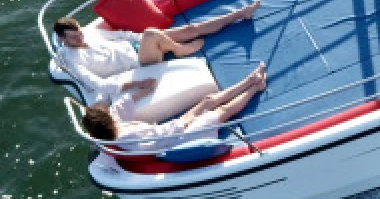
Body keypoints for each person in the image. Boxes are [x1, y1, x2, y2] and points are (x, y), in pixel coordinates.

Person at [53, 0, 260, 99]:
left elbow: (121, 35)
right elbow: (97, 84)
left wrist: (140, 39)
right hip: (140, 63)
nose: (80, 37)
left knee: (190, 29)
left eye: (79, 31)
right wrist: (138, 82)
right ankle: (178, 50)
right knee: (152, 33)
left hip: (139, 46)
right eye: (74, 37)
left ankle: (240, 14)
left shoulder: (90, 33)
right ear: (63, 39)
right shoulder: (74, 60)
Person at [82, 63, 267, 152]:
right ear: (105, 122)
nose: (107, 110)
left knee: (209, 100)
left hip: (176, 128)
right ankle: (255, 88)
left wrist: (141, 91)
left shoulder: (115, 124)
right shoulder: (126, 137)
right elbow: (160, 138)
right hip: (180, 137)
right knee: (220, 112)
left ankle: (250, 80)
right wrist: (187, 121)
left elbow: (120, 107)